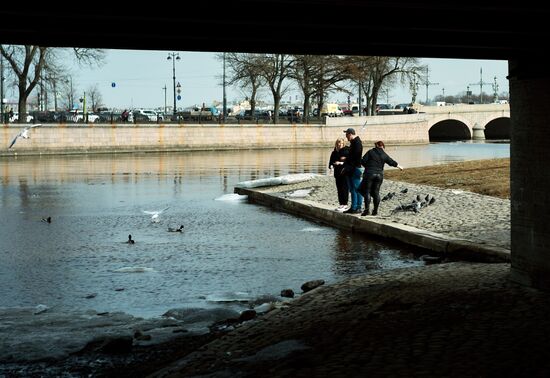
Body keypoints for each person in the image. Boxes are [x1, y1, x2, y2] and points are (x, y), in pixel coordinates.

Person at [359, 140, 403, 216]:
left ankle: (367, 210)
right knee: (376, 192)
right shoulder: (384, 154)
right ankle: (375, 211)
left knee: (366, 191)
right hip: (379, 175)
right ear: (382, 147)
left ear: (376, 145)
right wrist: (399, 166)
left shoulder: (370, 152)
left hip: (369, 173)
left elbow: (362, 161)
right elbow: (391, 162)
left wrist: (368, 167)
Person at [342, 128, 363, 214]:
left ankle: (358, 207)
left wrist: (346, 158)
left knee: (357, 189)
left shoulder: (357, 143)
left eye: (346, 134)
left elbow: (356, 157)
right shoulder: (353, 143)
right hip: (351, 168)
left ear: (350, 134)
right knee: (352, 189)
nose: (346, 136)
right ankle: (353, 207)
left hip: (355, 169)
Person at [328, 137, 349, 211]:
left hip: (344, 173)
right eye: (338, 143)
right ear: (336, 144)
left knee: (344, 188)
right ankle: (341, 204)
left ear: (343, 144)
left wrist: (341, 162)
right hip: (337, 173)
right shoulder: (334, 152)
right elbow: (330, 162)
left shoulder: (347, 151)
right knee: (339, 189)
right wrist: (331, 166)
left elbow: (350, 162)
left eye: (341, 143)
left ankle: (345, 204)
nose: (340, 144)